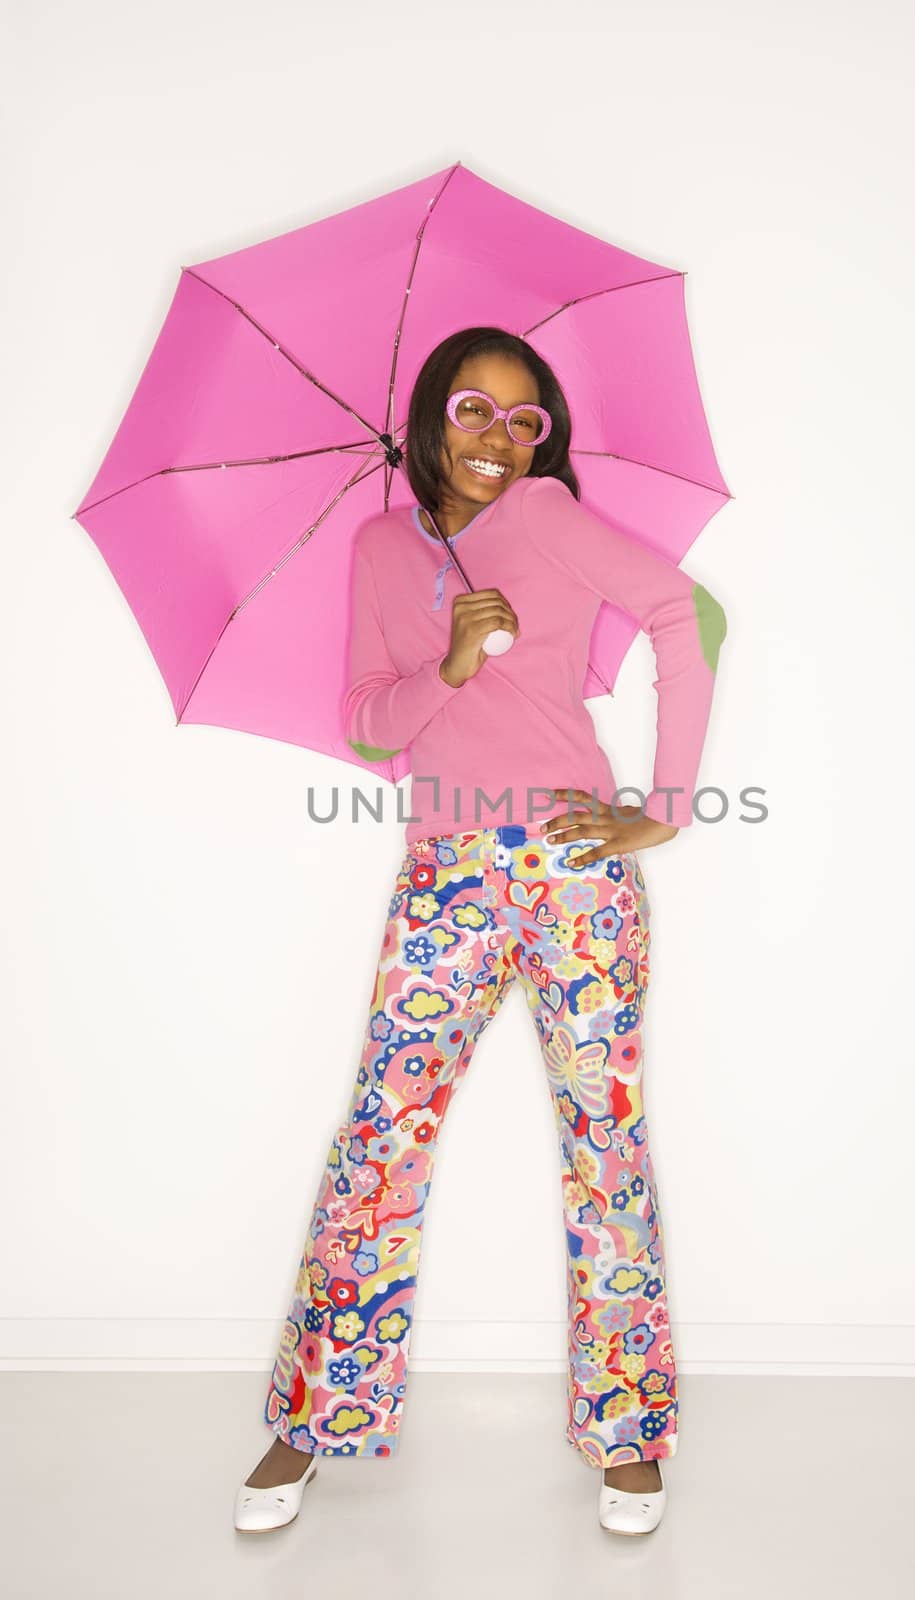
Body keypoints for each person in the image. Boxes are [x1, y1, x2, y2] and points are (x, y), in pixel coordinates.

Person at [234, 327, 728, 1537]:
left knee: (600, 1138)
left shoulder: (551, 518)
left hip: (572, 867)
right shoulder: (377, 548)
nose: (501, 439)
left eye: (525, 419)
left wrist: (661, 807)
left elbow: (688, 613)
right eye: (475, 410)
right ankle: (314, 1413)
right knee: (381, 1136)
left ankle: (627, 1430)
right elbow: (364, 729)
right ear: (427, 418)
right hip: (445, 871)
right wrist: (451, 663)